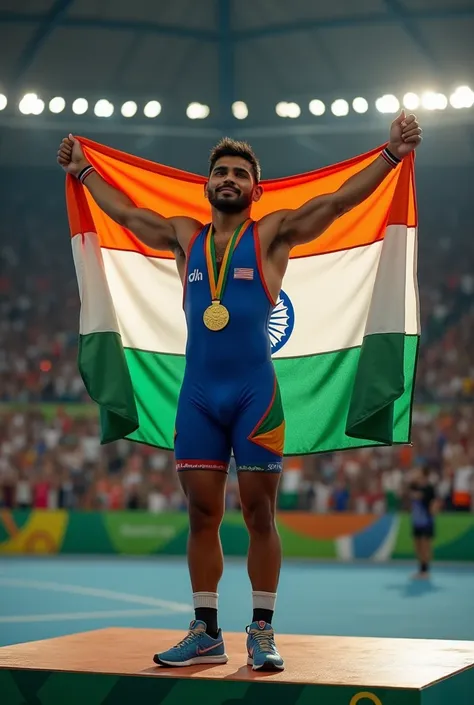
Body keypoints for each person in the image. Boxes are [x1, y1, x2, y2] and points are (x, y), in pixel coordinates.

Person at [57, 112, 422, 671]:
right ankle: (205, 631)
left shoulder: (271, 234)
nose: (228, 178)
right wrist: (84, 174)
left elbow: (336, 204)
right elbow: (127, 214)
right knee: (202, 514)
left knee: (259, 514)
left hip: (255, 395)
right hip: (199, 396)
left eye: (239, 173)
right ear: (207, 184)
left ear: (256, 187)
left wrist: (390, 156)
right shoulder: (185, 236)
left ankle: (262, 630)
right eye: (220, 171)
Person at [409, 466, 438, 579]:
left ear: (424, 475)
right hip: (416, 520)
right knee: (417, 546)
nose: (416, 474)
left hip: (426, 520)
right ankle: (421, 569)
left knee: (426, 546)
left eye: (418, 472)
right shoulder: (414, 486)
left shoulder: (429, 488)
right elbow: (409, 490)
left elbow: (433, 502)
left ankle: (426, 570)